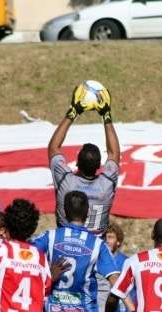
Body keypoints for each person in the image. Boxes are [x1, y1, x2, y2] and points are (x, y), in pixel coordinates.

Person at [48, 83, 120, 234]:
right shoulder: (106, 184)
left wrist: (73, 111)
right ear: (99, 166)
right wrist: (106, 115)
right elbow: (114, 154)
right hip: (94, 251)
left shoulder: (66, 181)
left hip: (64, 246)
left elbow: (54, 147)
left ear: (77, 163)